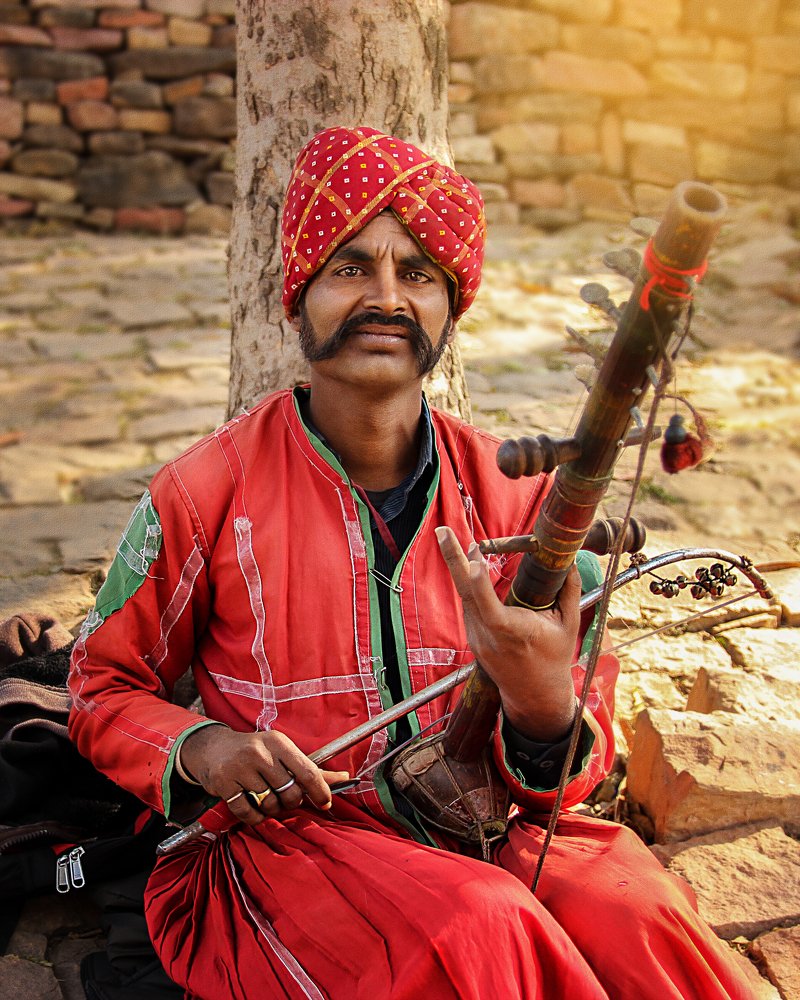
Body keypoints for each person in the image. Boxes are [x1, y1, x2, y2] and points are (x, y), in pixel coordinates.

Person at [68, 126, 752, 1000]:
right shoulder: (204, 491)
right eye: (351, 266)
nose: (386, 297)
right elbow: (99, 685)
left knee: (637, 916)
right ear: (298, 293)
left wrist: (544, 709)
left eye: (418, 273)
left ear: (449, 310)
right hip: (295, 851)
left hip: (488, 823)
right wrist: (204, 748)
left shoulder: (515, 499)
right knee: (478, 927)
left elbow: (574, 772)